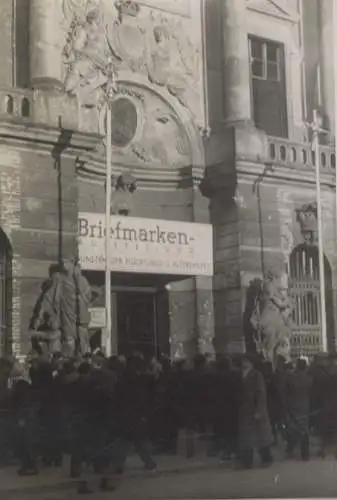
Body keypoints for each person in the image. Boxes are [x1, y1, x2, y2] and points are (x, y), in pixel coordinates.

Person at [237, 354, 273, 469]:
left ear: (251, 363)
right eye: (243, 361)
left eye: (247, 361)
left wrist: (260, 410)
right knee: (246, 439)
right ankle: (247, 461)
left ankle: (266, 459)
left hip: (255, 409)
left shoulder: (256, 375)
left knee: (261, 436)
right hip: (244, 410)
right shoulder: (239, 374)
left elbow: (261, 393)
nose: (244, 363)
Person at [284, 358, 312, 461]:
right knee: (304, 430)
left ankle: (290, 449)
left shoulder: (290, 378)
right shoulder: (309, 378)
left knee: (292, 428)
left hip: (292, 406)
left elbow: (285, 390)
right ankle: (305, 455)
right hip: (305, 406)